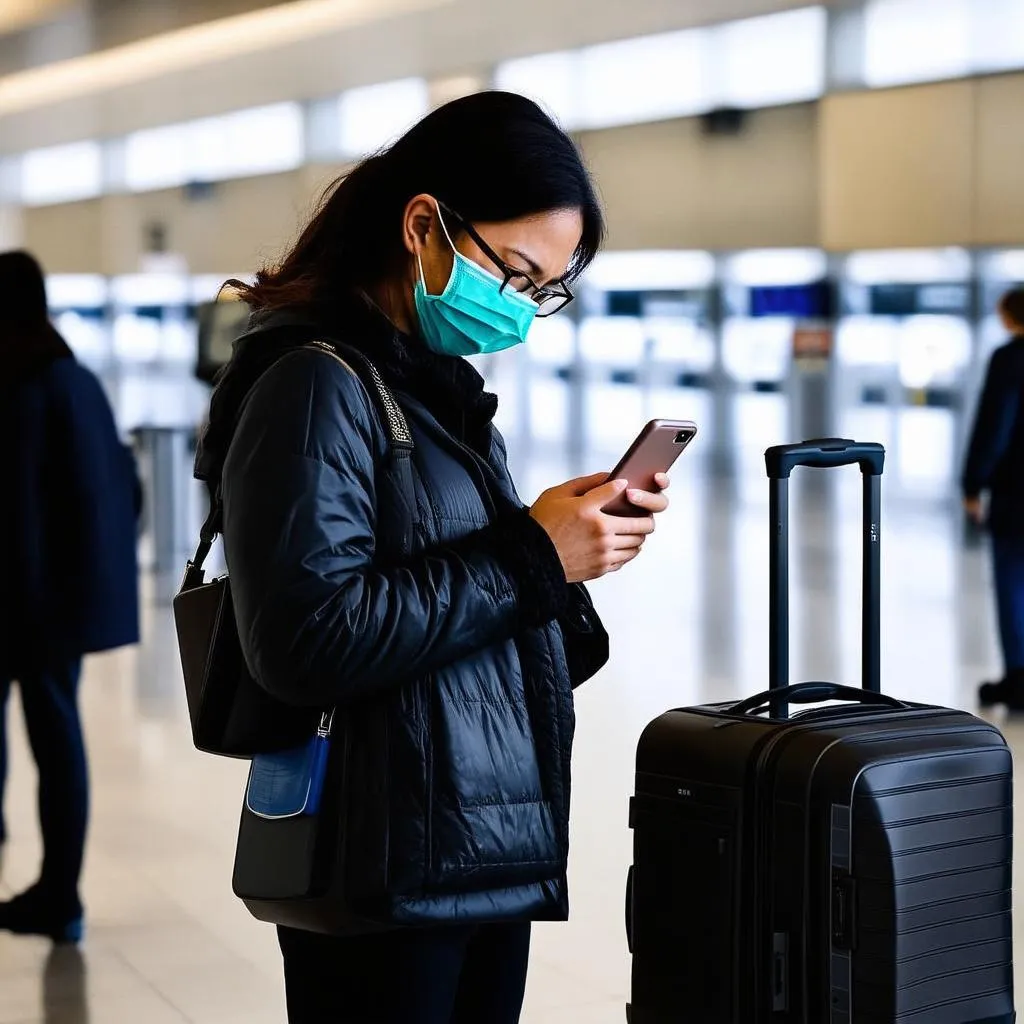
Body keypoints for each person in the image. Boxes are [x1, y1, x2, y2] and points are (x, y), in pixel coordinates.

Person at [195, 91, 670, 1024]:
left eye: (545, 291)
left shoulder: (438, 399)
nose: (525, 312)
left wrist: (570, 546)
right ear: (425, 226)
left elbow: (518, 641)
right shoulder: (313, 385)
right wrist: (534, 555)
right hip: (384, 864)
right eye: (517, 273)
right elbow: (305, 640)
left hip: (475, 845)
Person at [0, 250, 140, 942]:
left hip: (27, 605)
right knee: (59, 740)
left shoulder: (23, 382)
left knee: (53, 744)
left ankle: (59, 894)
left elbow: (16, 510)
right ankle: (60, 892)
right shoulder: (74, 375)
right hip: (65, 599)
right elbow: (125, 487)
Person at [965, 286, 1024, 709]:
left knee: (1012, 582)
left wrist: (972, 483)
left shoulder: (1010, 359)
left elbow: (995, 424)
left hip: (1016, 492)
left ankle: (1019, 679)